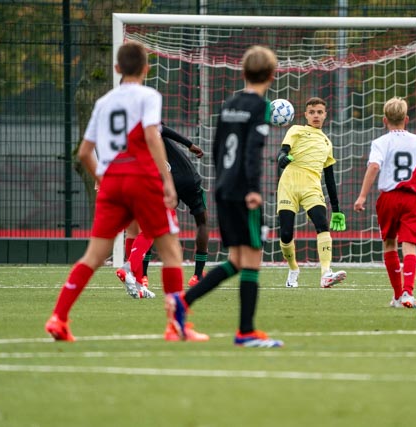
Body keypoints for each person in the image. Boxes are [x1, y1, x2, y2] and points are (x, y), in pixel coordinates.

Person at [44, 41, 206, 341]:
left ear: (117, 68)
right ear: (146, 68)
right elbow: (151, 135)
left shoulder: (103, 103)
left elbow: (83, 153)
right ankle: (177, 325)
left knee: (93, 256)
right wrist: (167, 182)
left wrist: (103, 181)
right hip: (142, 179)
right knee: (171, 251)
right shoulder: (148, 96)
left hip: (113, 180)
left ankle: (58, 318)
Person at [165, 45, 283, 347]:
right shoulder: (261, 106)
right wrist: (254, 190)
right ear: (272, 75)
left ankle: (183, 302)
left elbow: (218, 148)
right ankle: (245, 332)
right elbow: (254, 151)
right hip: (245, 191)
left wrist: (222, 183)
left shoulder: (229, 103)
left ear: (242, 72)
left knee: (237, 260)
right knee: (252, 259)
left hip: (224, 188)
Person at [353, 97, 416, 309]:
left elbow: (373, 167)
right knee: (409, 246)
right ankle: (408, 293)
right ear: (406, 119)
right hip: (413, 198)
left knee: (389, 243)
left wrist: (362, 195)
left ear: (384, 120)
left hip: (389, 198)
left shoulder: (381, 142)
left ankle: (398, 296)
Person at [115, 124, 210, 298]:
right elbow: (164, 129)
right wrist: (190, 144)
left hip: (158, 183)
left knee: (147, 228)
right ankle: (196, 276)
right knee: (199, 223)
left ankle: (140, 277)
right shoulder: (146, 121)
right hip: (186, 177)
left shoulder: (127, 135)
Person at [276, 97, 347, 288]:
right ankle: (293, 269)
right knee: (285, 233)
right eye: (312, 112)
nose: (316, 115)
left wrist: (337, 208)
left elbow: (330, 178)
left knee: (322, 224)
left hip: (312, 187)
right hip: (289, 184)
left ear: (325, 115)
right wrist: (282, 158)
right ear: (306, 114)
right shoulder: (296, 130)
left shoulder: (327, 142)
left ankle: (326, 273)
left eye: (319, 112)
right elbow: (283, 152)